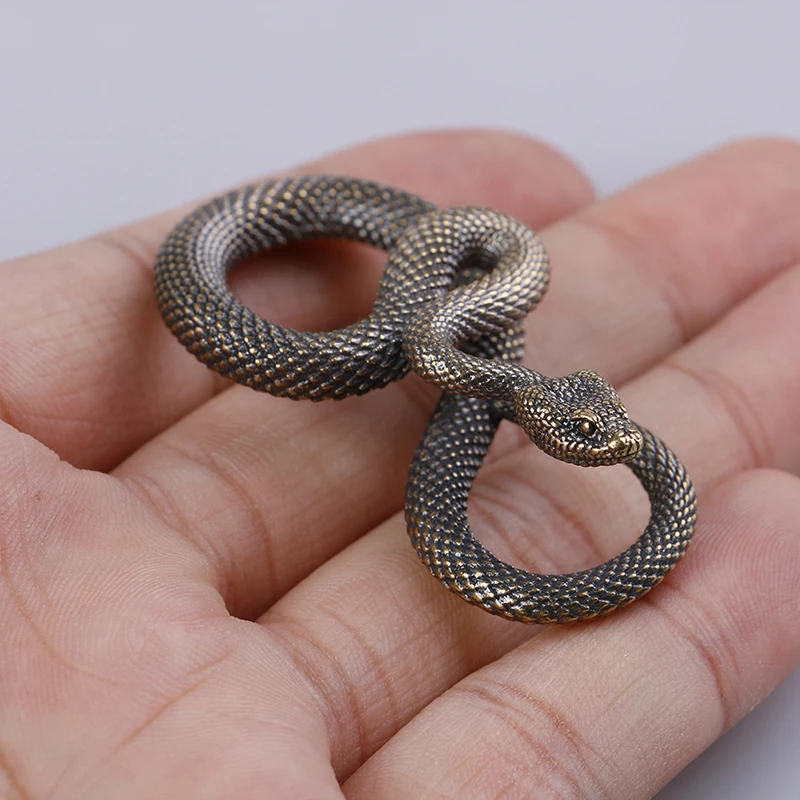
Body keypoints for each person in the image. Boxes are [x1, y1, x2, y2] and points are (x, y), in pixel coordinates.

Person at [0, 130, 798, 799]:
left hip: (459, 320)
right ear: (546, 420)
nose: (612, 441)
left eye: (601, 429)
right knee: (393, 341)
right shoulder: (463, 345)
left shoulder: (484, 337)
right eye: (590, 434)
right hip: (393, 308)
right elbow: (436, 338)